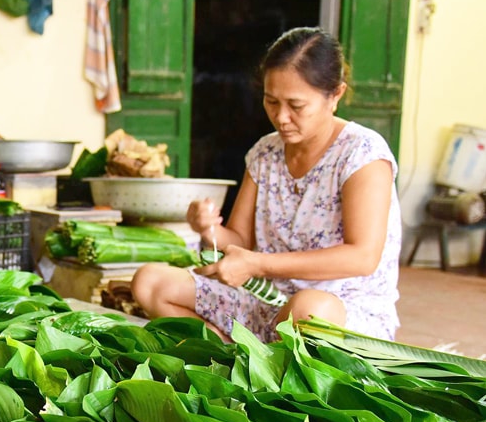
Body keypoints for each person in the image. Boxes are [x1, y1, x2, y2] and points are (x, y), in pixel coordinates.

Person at [130, 27, 402, 342]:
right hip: (265, 301)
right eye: (271, 101)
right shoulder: (265, 152)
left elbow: (362, 257)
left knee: (308, 310)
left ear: (335, 95)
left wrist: (258, 264)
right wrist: (207, 229)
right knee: (150, 281)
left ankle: (252, 356)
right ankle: (233, 354)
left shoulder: (362, 154)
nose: (281, 117)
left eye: (296, 106)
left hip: (334, 313)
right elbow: (239, 241)